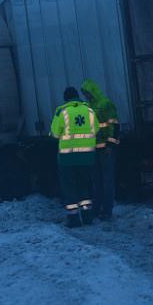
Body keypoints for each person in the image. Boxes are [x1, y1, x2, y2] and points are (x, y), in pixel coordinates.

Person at [51, 86, 98, 227]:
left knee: (70, 187)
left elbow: (55, 133)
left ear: (65, 98)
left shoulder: (62, 111)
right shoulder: (89, 110)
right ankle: (87, 216)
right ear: (78, 96)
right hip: (87, 157)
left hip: (68, 158)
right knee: (85, 185)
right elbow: (95, 128)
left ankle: (74, 219)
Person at [81, 79, 119, 220]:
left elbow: (114, 126)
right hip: (95, 148)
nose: (86, 95)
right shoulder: (89, 106)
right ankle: (97, 209)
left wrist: (110, 145)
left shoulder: (105, 104)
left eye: (86, 92)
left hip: (106, 149)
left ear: (92, 91)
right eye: (84, 93)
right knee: (97, 181)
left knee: (107, 180)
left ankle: (107, 210)